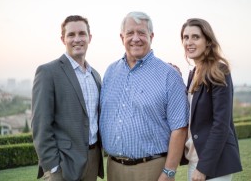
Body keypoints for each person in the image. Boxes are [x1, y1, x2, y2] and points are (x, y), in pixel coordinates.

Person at [99, 11, 189, 181]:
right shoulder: (110, 72)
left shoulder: (168, 75)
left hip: (152, 169)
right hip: (114, 169)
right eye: (130, 33)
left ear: (151, 36)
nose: (136, 38)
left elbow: (180, 128)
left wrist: (169, 172)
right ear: (121, 37)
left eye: (141, 33)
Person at [31, 15, 104, 181]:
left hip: (92, 160)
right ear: (63, 39)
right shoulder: (48, 72)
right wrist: (53, 167)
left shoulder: (96, 76)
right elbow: (40, 125)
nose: (77, 39)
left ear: (89, 38)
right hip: (63, 164)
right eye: (71, 35)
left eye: (82, 34)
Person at [180, 18, 242, 181]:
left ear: (207, 41)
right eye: (185, 37)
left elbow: (221, 124)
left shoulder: (219, 70)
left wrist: (204, 167)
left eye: (195, 37)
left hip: (213, 163)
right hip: (195, 158)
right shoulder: (193, 73)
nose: (189, 42)